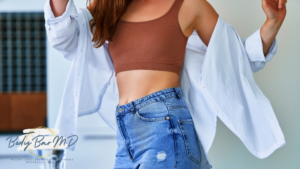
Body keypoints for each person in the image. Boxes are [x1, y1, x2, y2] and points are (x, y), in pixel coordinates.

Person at [45, 0, 287, 168]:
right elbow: (64, 38)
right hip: (126, 134)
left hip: (166, 127)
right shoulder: (109, 7)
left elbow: (233, 59)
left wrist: (272, 24)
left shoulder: (189, 5)